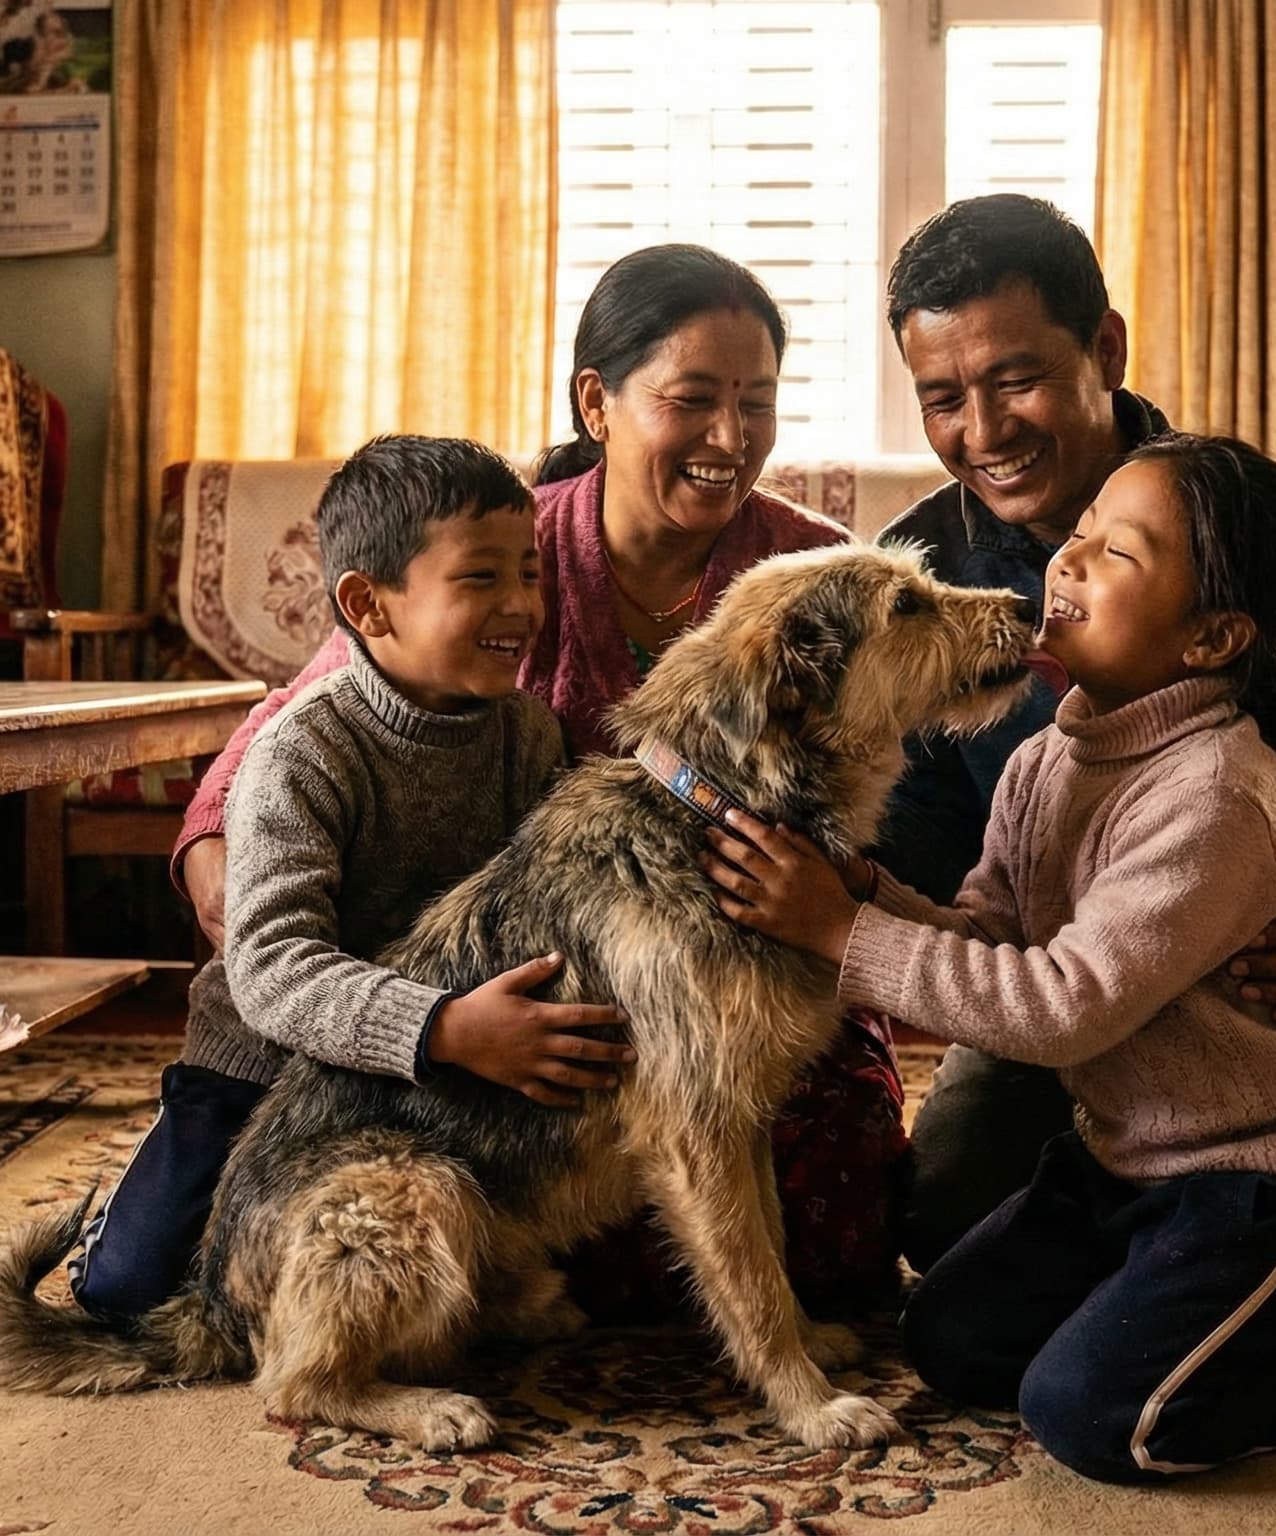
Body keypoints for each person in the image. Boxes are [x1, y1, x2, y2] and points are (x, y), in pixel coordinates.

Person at [171, 245, 909, 1314]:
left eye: (757, 402)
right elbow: (322, 700)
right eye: (691, 400)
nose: (730, 437)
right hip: (550, 1004)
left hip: (756, 974)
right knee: (197, 1269)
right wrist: (212, 842)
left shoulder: (806, 577)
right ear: (597, 404)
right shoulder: (509, 553)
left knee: (839, 1238)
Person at [704, 433, 1276, 1482]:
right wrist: (873, 895)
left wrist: (838, 933)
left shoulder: (1216, 796)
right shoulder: (1049, 757)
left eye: (1115, 554)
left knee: (1100, 1419)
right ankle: (1165, 1291)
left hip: (1267, 1180)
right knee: (947, 1340)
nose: (1065, 561)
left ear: (1212, 636)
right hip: (1125, 1156)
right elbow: (998, 948)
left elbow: (1060, 1010)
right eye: (1077, 536)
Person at [871, 195, 1276, 1334]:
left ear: (1103, 348)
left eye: (1014, 380)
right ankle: (1151, 1236)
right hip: (1052, 1002)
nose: (982, 430)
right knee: (938, 1222)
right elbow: (907, 832)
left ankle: (1202, 1262)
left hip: (1265, 1026)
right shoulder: (916, 573)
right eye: (941, 400)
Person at [67, 435, 637, 1322]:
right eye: (480, 579)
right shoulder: (306, 751)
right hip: (271, 1061)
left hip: (441, 1071)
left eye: (529, 574)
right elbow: (272, 971)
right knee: (132, 1295)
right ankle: (113, 1226)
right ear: (368, 605)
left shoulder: (527, 736)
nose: (522, 606)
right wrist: (442, 1026)